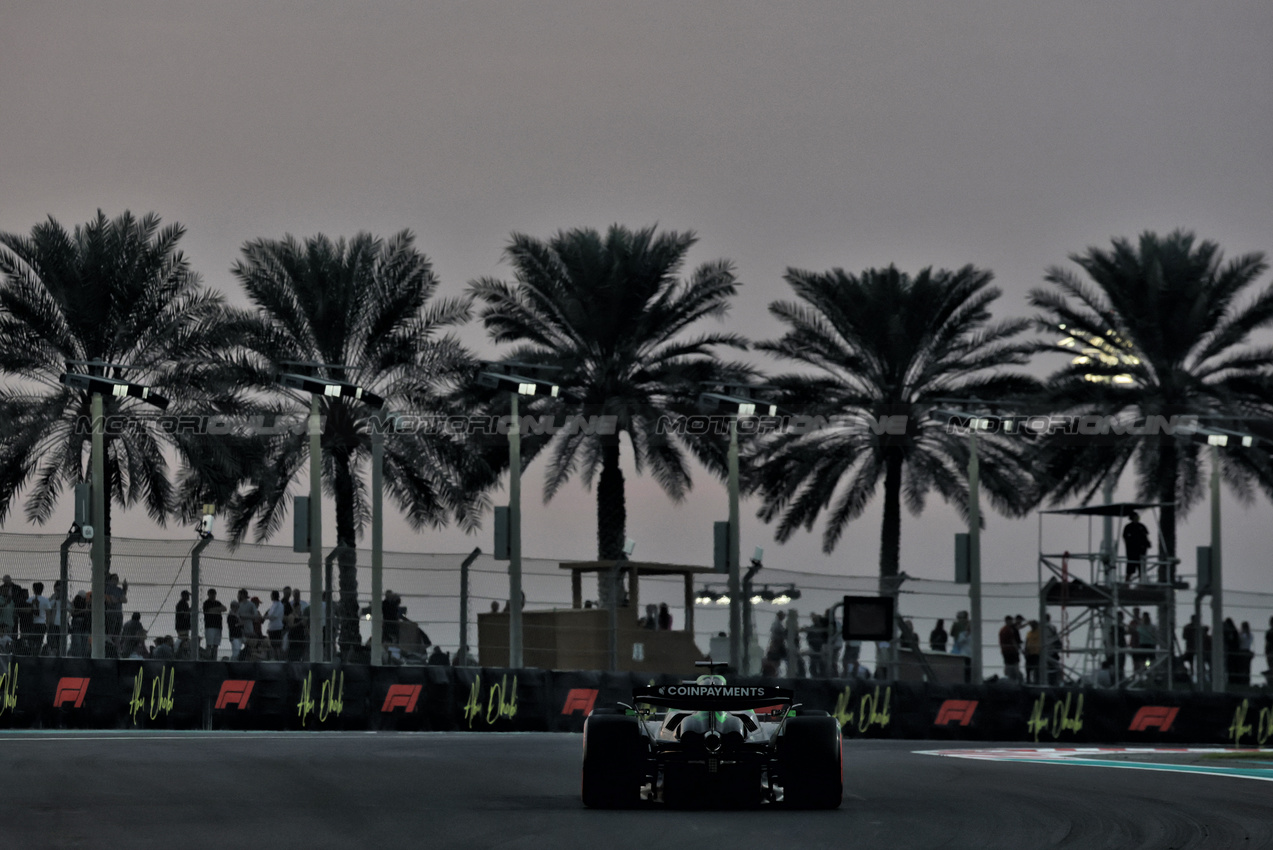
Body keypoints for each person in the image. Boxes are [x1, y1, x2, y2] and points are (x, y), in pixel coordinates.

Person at [1122, 511, 1151, 583]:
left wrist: (1147, 544)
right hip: (1132, 552)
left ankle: (1142, 584)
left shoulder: (1142, 526)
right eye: (1136, 517)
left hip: (1141, 552)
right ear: (1132, 518)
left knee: (1141, 569)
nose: (1137, 518)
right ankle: (1127, 584)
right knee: (1130, 569)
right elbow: (1125, 538)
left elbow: (1145, 537)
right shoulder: (1128, 527)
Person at [28, 582, 52, 655]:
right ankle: (37, 655)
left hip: (32, 623)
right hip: (41, 623)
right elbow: (48, 613)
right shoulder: (45, 600)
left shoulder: (30, 599)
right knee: (39, 641)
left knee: (31, 640)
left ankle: (31, 654)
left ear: (33, 590)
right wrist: (47, 624)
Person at [203, 589, 226, 660]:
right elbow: (209, 611)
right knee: (209, 644)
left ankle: (214, 659)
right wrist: (218, 609)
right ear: (208, 594)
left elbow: (224, 608)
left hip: (218, 626)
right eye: (211, 594)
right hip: (210, 626)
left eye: (214, 594)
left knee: (216, 644)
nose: (213, 596)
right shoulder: (206, 603)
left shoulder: (218, 602)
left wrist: (216, 610)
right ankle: (207, 658)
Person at [999, 615, 1022, 681]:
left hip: (1005, 650)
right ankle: (1015, 679)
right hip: (1011, 650)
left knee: (1007, 665)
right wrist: (1017, 648)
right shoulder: (1009, 630)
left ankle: (1007, 678)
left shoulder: (1002, 630)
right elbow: (1013, 640)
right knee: (1015, 665)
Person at [264, 590, 285, 659]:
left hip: (277, 627)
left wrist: (267, 617)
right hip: (272, 628)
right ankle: (275, 658)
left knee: (277, 646)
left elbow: (274, 616)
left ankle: (279, 659)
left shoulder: (279, 605)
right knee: (273, 646)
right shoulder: (274, 604)